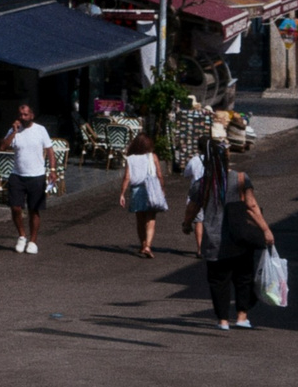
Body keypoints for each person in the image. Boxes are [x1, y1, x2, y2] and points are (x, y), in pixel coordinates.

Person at [184, 139, 276, 329]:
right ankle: (242, 317)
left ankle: (223, 320)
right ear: (226, 159)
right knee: (243, 277)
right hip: (241, 237)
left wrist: (186, 225)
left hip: (214, 241)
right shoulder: (241, 178)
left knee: (218, 281)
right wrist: (266, 230)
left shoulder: (202, 185)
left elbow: (192, 209)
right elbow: (251, 206)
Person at [0, 103, 52, 254]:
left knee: (34, 210)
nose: (22, 118)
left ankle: (33, 241)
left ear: (32, 115)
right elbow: (3, 147)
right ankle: (22, 235)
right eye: (20, 115)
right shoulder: (14, 130)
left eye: (25, 115)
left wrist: (53, 170)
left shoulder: (40, 130)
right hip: (18, 174)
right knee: (15, 207)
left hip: (36, 175)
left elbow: (50, 150)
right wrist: (14, 132)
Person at [118, 133, 168, 258]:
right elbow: (159, 174)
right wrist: (162, 188)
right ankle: (148, 246)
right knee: (151, 219)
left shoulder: (130, 158)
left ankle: (142, 244)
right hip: (151, 189)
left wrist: (122, 193)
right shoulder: (152, 156)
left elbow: (127, 177)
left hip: (137, 190)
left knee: (140, 219)